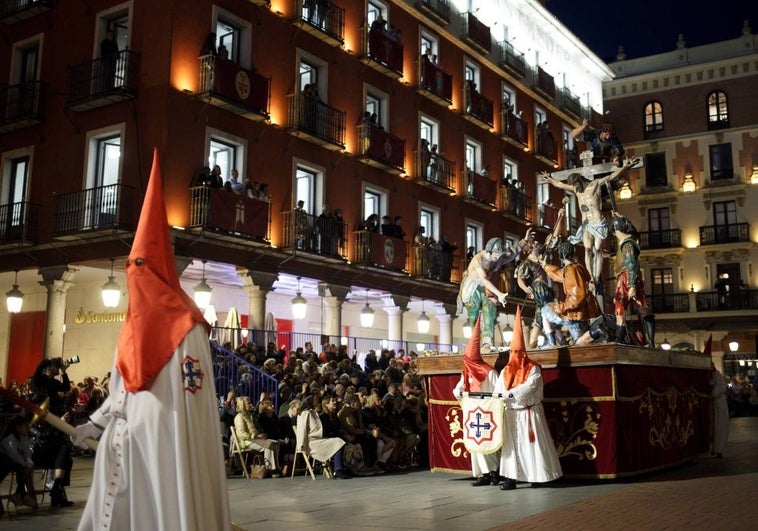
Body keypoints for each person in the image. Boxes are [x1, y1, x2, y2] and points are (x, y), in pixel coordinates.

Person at [72, 150, 230, 529]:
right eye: (130, 266)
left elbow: (186, 406)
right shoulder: (131, 326)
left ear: (156, 270)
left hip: (162, 450)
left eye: (139, 266)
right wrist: (95, 423)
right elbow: (121, 390)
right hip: (122, 446)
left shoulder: (188, 328)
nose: (133, 275)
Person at [495, 306, 562, 490]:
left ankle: (537, 476)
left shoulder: (533, 368)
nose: (514, 356)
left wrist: (510, 394)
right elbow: (499, 388)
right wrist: (501, 396)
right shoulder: (505, 371)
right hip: (511, 413)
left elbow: (529, 387)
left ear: (523, 353)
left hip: (529, 412)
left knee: (532, 446)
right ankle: (510, 477)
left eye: (518, 352)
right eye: (512, 352)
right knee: (511, 448)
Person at [542, 158, 636, 287]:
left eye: (575, 184)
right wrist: (550, 180)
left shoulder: (595, 185)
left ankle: (597, 277)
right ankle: (591, 277)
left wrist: (625, 167)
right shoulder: (576, 190)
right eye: (573, 185)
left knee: (597, 250)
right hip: (586, 224)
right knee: (587, 249)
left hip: (598, 223)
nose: (575, 187)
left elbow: (611, 176)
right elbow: (561, 185)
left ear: (580, 180)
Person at [452, 317, 501, 487]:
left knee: (488, 442)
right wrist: (459, 392)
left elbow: (498, 391)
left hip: (488, 412)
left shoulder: (490, 372)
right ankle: (483, 474)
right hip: (473, 413)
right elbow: (457, 389)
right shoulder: (466, 373)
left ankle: (495, 472)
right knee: (476, 444)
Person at [30, 357, 74, 507]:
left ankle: (56, 489)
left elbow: (66, 387)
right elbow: (37, 419)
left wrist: (64, 372)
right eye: (55, 367)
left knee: (66, 452)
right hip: (43, 435)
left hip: (54, 428)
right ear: (47, 368)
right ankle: (56, 490)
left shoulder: (54, 383)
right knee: (64, 450)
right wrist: (58, 420)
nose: (57, 369)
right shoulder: (39, 383)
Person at [540, 241, 601, 347]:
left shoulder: (571, 270)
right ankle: (591, 335)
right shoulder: (577, 268)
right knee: (579, 341)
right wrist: (545, 266)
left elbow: (577, 296)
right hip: (581, 312)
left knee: (545, 310)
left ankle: (551, 343)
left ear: (561, 255)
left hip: (574, 312)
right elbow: (558, 275)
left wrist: (562, 307)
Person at [457, 238, 509, 353]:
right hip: (472, 288)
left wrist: (524, 242)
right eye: (496, 254)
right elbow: (484, 279)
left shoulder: (496, 259)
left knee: (489, 307)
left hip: (485, 287)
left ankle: (486, 342)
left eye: (500, 254)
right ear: (489, 250)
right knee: (473, 315)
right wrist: (499, 294)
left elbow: (511, 255)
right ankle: (474, 343)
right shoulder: (478, 260)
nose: (498, 257)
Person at [611, 214, 655, 347]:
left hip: (626, 277)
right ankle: (651, 342)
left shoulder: (627, 245)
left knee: (620, 309)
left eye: (614, 230)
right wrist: (625, 219)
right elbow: (634, 230)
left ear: (617, 230)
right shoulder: (632, 240)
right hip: (631, 277)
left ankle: (619, 340)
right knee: (643, 308)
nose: (614, 234)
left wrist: (631, 285)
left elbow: (631, 264)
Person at [290, 399, 348, 479]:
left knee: (339, 441)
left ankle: (338, 468)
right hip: (312, 442)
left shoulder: (310, 412)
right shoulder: (304, 414)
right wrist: (301, 445)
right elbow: (302, 431)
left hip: (318, 439)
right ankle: (337, 469)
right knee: (338, 441)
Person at [515, 238, 552, 348]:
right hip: (540, 292)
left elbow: (552, 238)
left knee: (546, 317)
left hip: (549, 292)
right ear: (530, 248)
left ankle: (537, 343)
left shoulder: (543, 255)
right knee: (540, 317)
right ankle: (531, 345)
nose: (537, 242)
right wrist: (525, 288)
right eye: (534, 243)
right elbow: (519, 278)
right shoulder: (527, 263)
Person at [0, 415, 38, 511]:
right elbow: (14, 456)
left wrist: (28, 465)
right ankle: (21, 494)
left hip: (15, 463)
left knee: (25, 468)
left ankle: (19, 494)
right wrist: (25, 466)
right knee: (21, 468)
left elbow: (27, 454)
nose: (28, 429)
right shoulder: (9, 439)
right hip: (4, 463)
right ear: (18, 428)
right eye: (25, 426)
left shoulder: (24, 438)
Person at [710, 362, 729, 458]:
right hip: (712, 403)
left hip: (718, 403)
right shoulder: (710, 375)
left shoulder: (717, 375)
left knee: (719, 425)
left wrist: (712, 393)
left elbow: (721, 387)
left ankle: (718, 449)